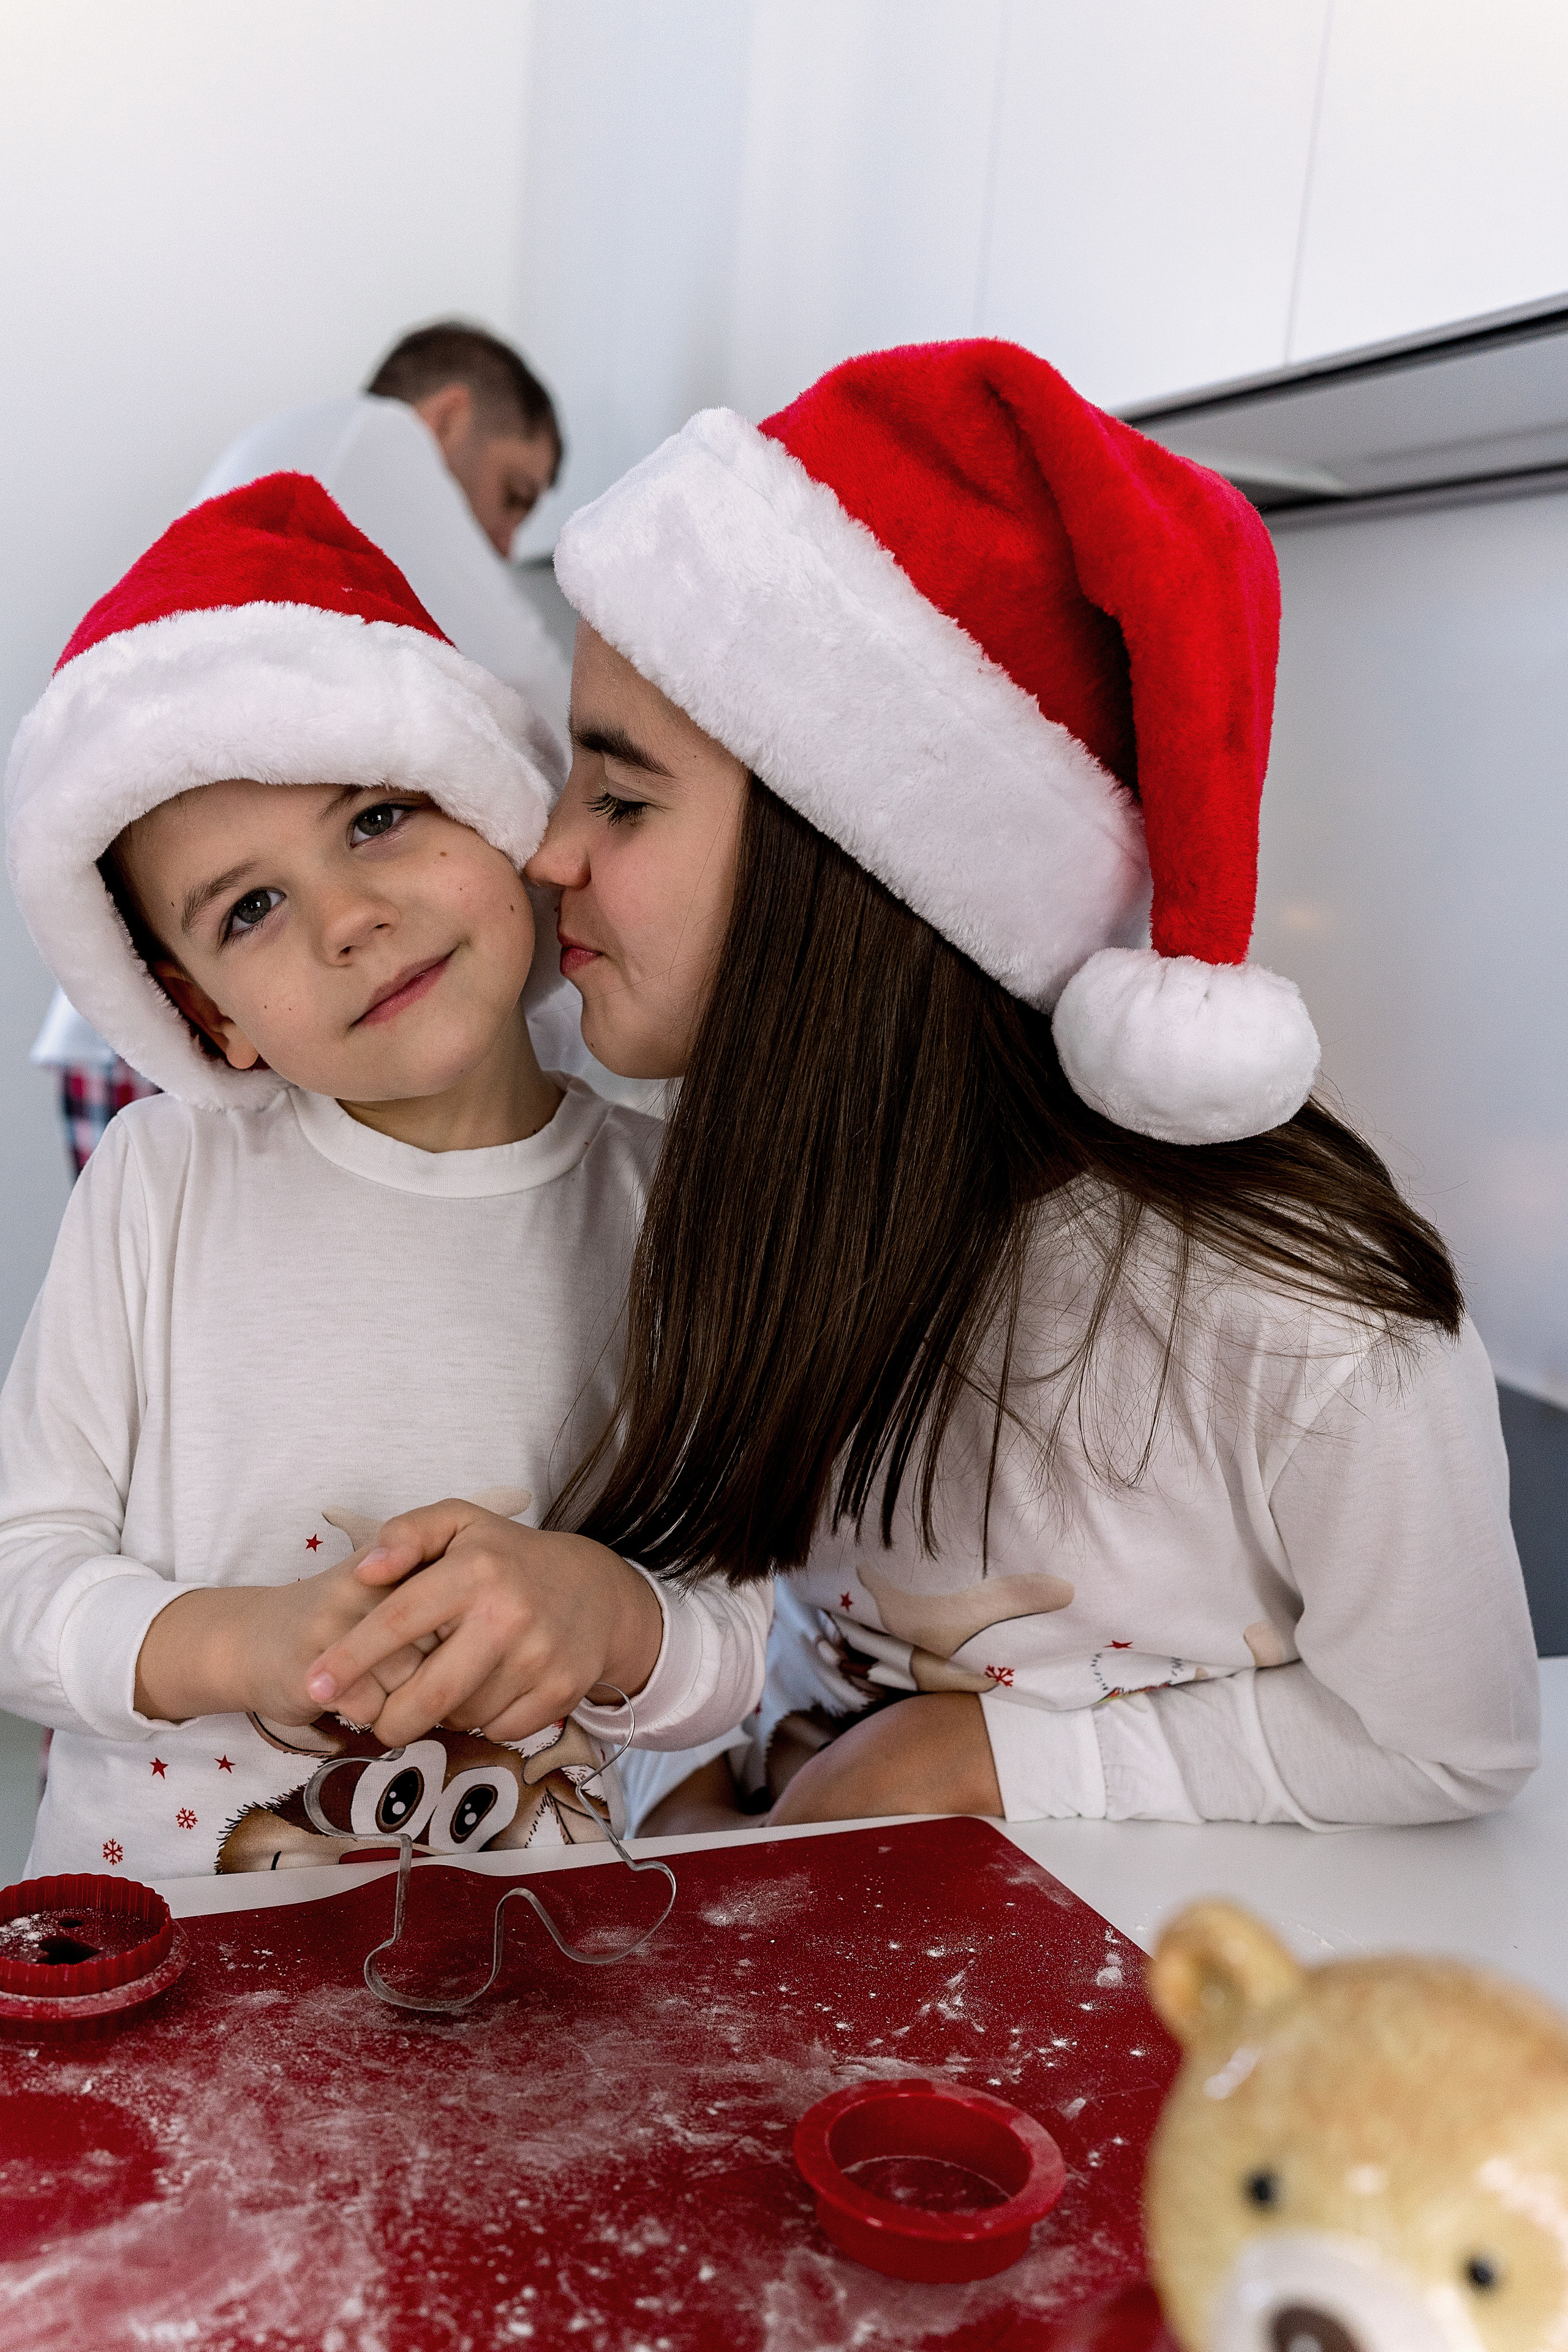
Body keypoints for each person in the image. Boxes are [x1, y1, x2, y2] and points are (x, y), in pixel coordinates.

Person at [488, 337, 1532, 1839]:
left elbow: (1455, 1746)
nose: (548, 852)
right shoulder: (744, 1181)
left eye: (623, 795)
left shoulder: (1295, 1323)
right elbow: (753, 1622)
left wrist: (976, 1764)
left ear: (855, 870)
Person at [0, 472, 767, 1880]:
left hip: (515, 1965)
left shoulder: (669, 1204)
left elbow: (727, 1647)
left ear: (494, 809)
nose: (351, 920)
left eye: (375, 819)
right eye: (253, 906)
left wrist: (599, 1614)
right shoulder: (164, 1178)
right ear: (206, 1010)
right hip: (166, 1957)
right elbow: (18, 1573)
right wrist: (248, 1641)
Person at [30, 318, 632, 1173]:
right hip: (184, 1033)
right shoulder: (379, 439)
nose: (503, 544)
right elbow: (532, 696)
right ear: (449, 417)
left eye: (377, 820)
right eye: (513, 495)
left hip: (152, 1019)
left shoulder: (279, 460)